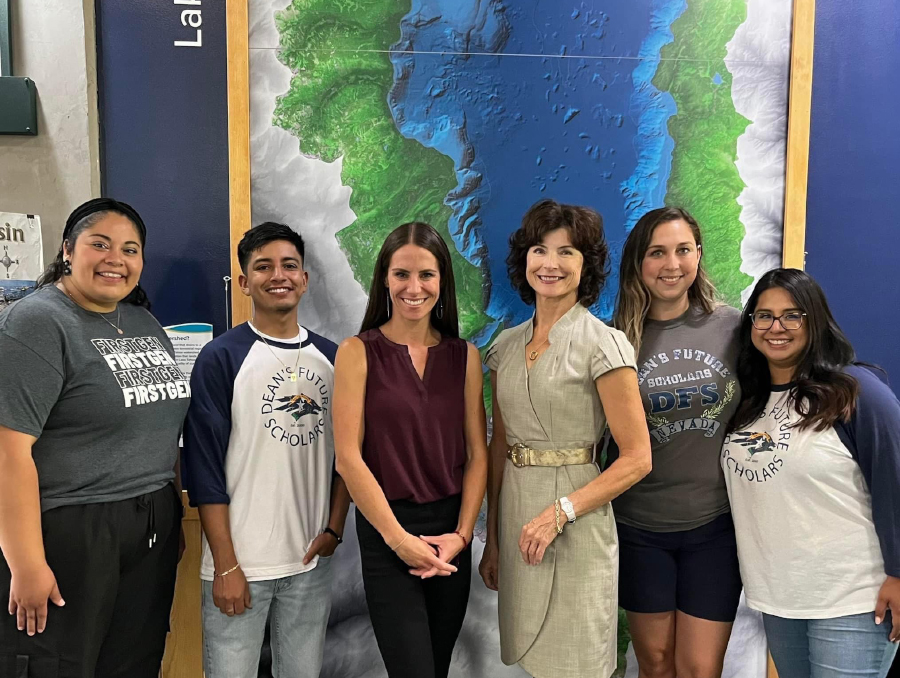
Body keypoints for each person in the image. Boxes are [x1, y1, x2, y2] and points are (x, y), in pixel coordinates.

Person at [0, 198, 191, 678]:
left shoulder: (144, 323)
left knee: (134, 662)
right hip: (72, 529)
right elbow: (8, 452)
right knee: (60, 665)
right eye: (99, 244)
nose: (116, 259)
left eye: (130, 249)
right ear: (68, 250)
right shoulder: (37, 323)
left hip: (150, 519)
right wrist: (25, 563)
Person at [479, 198, 652, 678]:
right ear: (524, 259)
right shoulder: (506, 347)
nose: (550, 263)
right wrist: (492, 540)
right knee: (531, 659)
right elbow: (499, 447)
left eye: (566, 252)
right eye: (539, 249)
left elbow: (637, 458)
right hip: (517, 516)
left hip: (578, 521)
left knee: (579, 659)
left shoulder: (604, 343)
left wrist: (562, 512)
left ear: (587, 265)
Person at [181, 222, 350, 678]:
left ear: (305, 277)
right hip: (240, 564)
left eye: (289, 265)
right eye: (263, 267)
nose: (279, 275)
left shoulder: (335, 359)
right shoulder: (222, 357)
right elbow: (204, 470)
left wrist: (333, 530)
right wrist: (226, 564)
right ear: (244, 282)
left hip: (309, 564)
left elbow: (348, 459)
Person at [723, 268, 900, 678]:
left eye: (792, 315)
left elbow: (895, 480)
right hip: (780, 599)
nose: (776, 327)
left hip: (853, 600)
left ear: (815, 320)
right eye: (764, 316)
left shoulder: (854, 391)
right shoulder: (749, 402)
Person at [332, 222, 488, 678]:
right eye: (402, 274)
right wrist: (399, 542)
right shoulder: (357, 352)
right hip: (387, 533)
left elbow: (478, 454)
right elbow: (349, 458)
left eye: (426, 275)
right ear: (384, 278)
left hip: (449, 536)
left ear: (443, 282)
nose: (414, 287)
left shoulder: (465, 357)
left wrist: (460, 537)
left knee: (435, 667)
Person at [607, 207, 743, 678]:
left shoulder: (732, 328)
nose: (672, 264)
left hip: (715, 526)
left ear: (698, 255)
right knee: (657, 663)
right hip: (640, 528)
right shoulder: (616, 340)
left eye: (683, 250)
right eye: (657, 252)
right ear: (638, 264)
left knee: (701, 668)